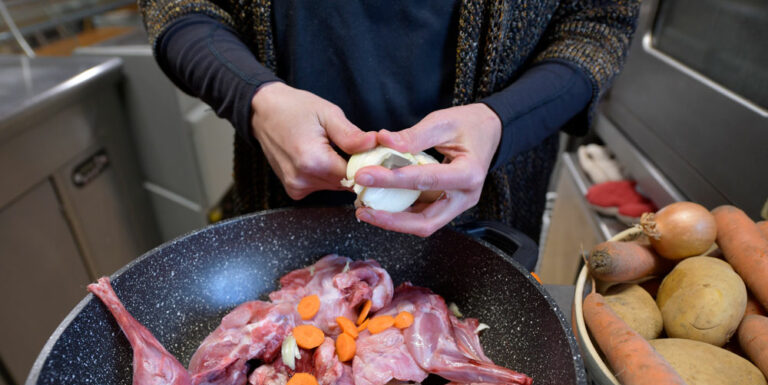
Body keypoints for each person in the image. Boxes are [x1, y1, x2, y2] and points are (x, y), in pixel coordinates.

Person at [139, 0, 640, 240]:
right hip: (281, 207)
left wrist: (504, 122)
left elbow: (598, 23)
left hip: (484, 207)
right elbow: (180, 9)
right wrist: (254, 98)